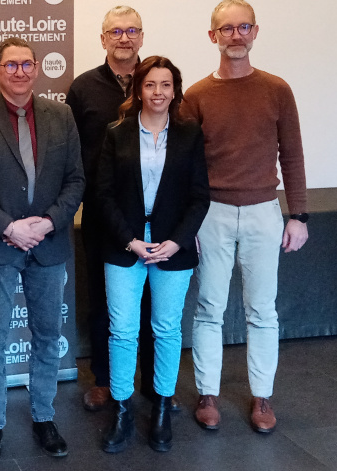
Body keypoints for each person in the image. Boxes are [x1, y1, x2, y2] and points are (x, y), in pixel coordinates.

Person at [0, 37, 84, 465]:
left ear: (36, 69)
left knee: (48, 336)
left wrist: (47, 222)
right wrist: (9, 227)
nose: (20, 72)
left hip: (48, 243)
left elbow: (75, 181)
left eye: (27, 64)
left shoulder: (61, 115)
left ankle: (44, 416)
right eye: (11, 65)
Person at [185, 0, 309, 434]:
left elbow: (291, 155)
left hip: (263, 212)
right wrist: (188, 221)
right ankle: (208, 394)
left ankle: (262, 398)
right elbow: (185, 164)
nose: (235, 35)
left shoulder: (277, 90)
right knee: (209, 308)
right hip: (212, 215)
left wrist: (300, 216)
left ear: (255, 32)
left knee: (262, 311)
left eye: (243, 27)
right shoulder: (196, 96)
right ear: (212, 35)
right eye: (226, 28)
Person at [66, 5, 179, 411]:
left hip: (156, 216)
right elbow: (72, 152)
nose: (124, 38)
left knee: (155, 305)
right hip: (104, 215)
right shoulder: (83, 89)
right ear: (102, 39)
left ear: (142, 36)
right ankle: (104, 380)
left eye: (132, 30)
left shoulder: (158, 83)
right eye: (115, 31)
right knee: (105, 302)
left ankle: (153, 383)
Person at [97, 57, 210, 453]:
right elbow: (103, 194)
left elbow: (199, 197)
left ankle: (161, 406)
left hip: (171, 247)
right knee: (123, 331)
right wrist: (130, 239)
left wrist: (178, 241)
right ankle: (123, 408)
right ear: (138, 89)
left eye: (166, 85)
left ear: (175, 90)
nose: (158, 92)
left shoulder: (190, 134)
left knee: (166, 330)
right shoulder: (116, 133)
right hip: (126, 245)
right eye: (150, 85)